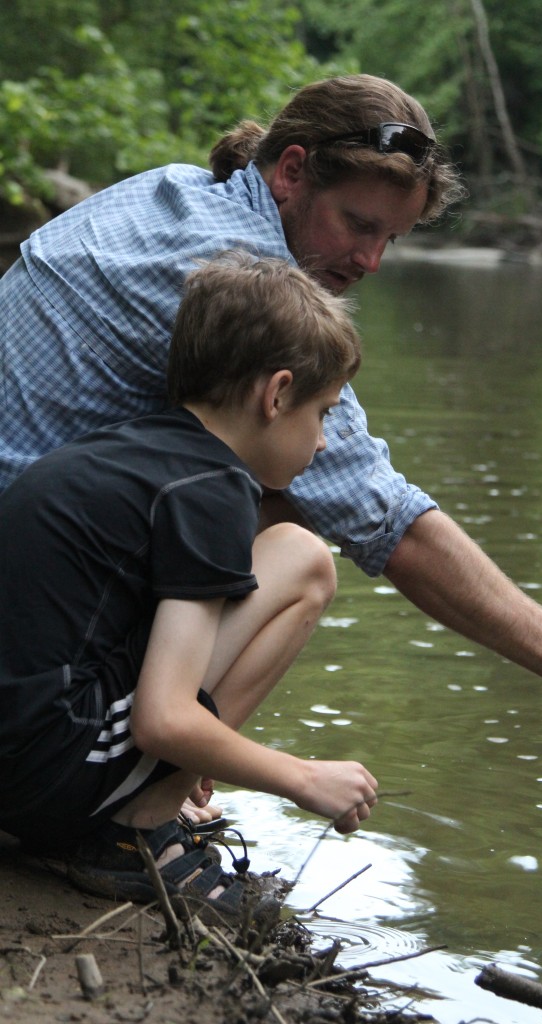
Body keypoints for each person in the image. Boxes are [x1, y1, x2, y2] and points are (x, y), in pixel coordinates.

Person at [0, 71, 542, 772]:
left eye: (392, 237)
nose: (371, 261)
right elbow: (385, 519)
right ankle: (137, 804)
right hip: (25, 640)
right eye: (359, 225)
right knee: (297, 548)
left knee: (261, 479)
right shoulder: (237, 274)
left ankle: (159, 753)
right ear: (292, 171)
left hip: (29, 564)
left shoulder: (171, 190)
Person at [0, 251, 378, 910]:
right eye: (324, 413)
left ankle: (147, 797)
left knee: (292, 549)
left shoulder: (135, 449)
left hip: (20, 755)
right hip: (35, 775)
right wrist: (304, 778)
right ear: (278, 393)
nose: (322, 443)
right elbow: (161, 720)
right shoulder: (215, 488)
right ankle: (135, 833)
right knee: (305, 561)